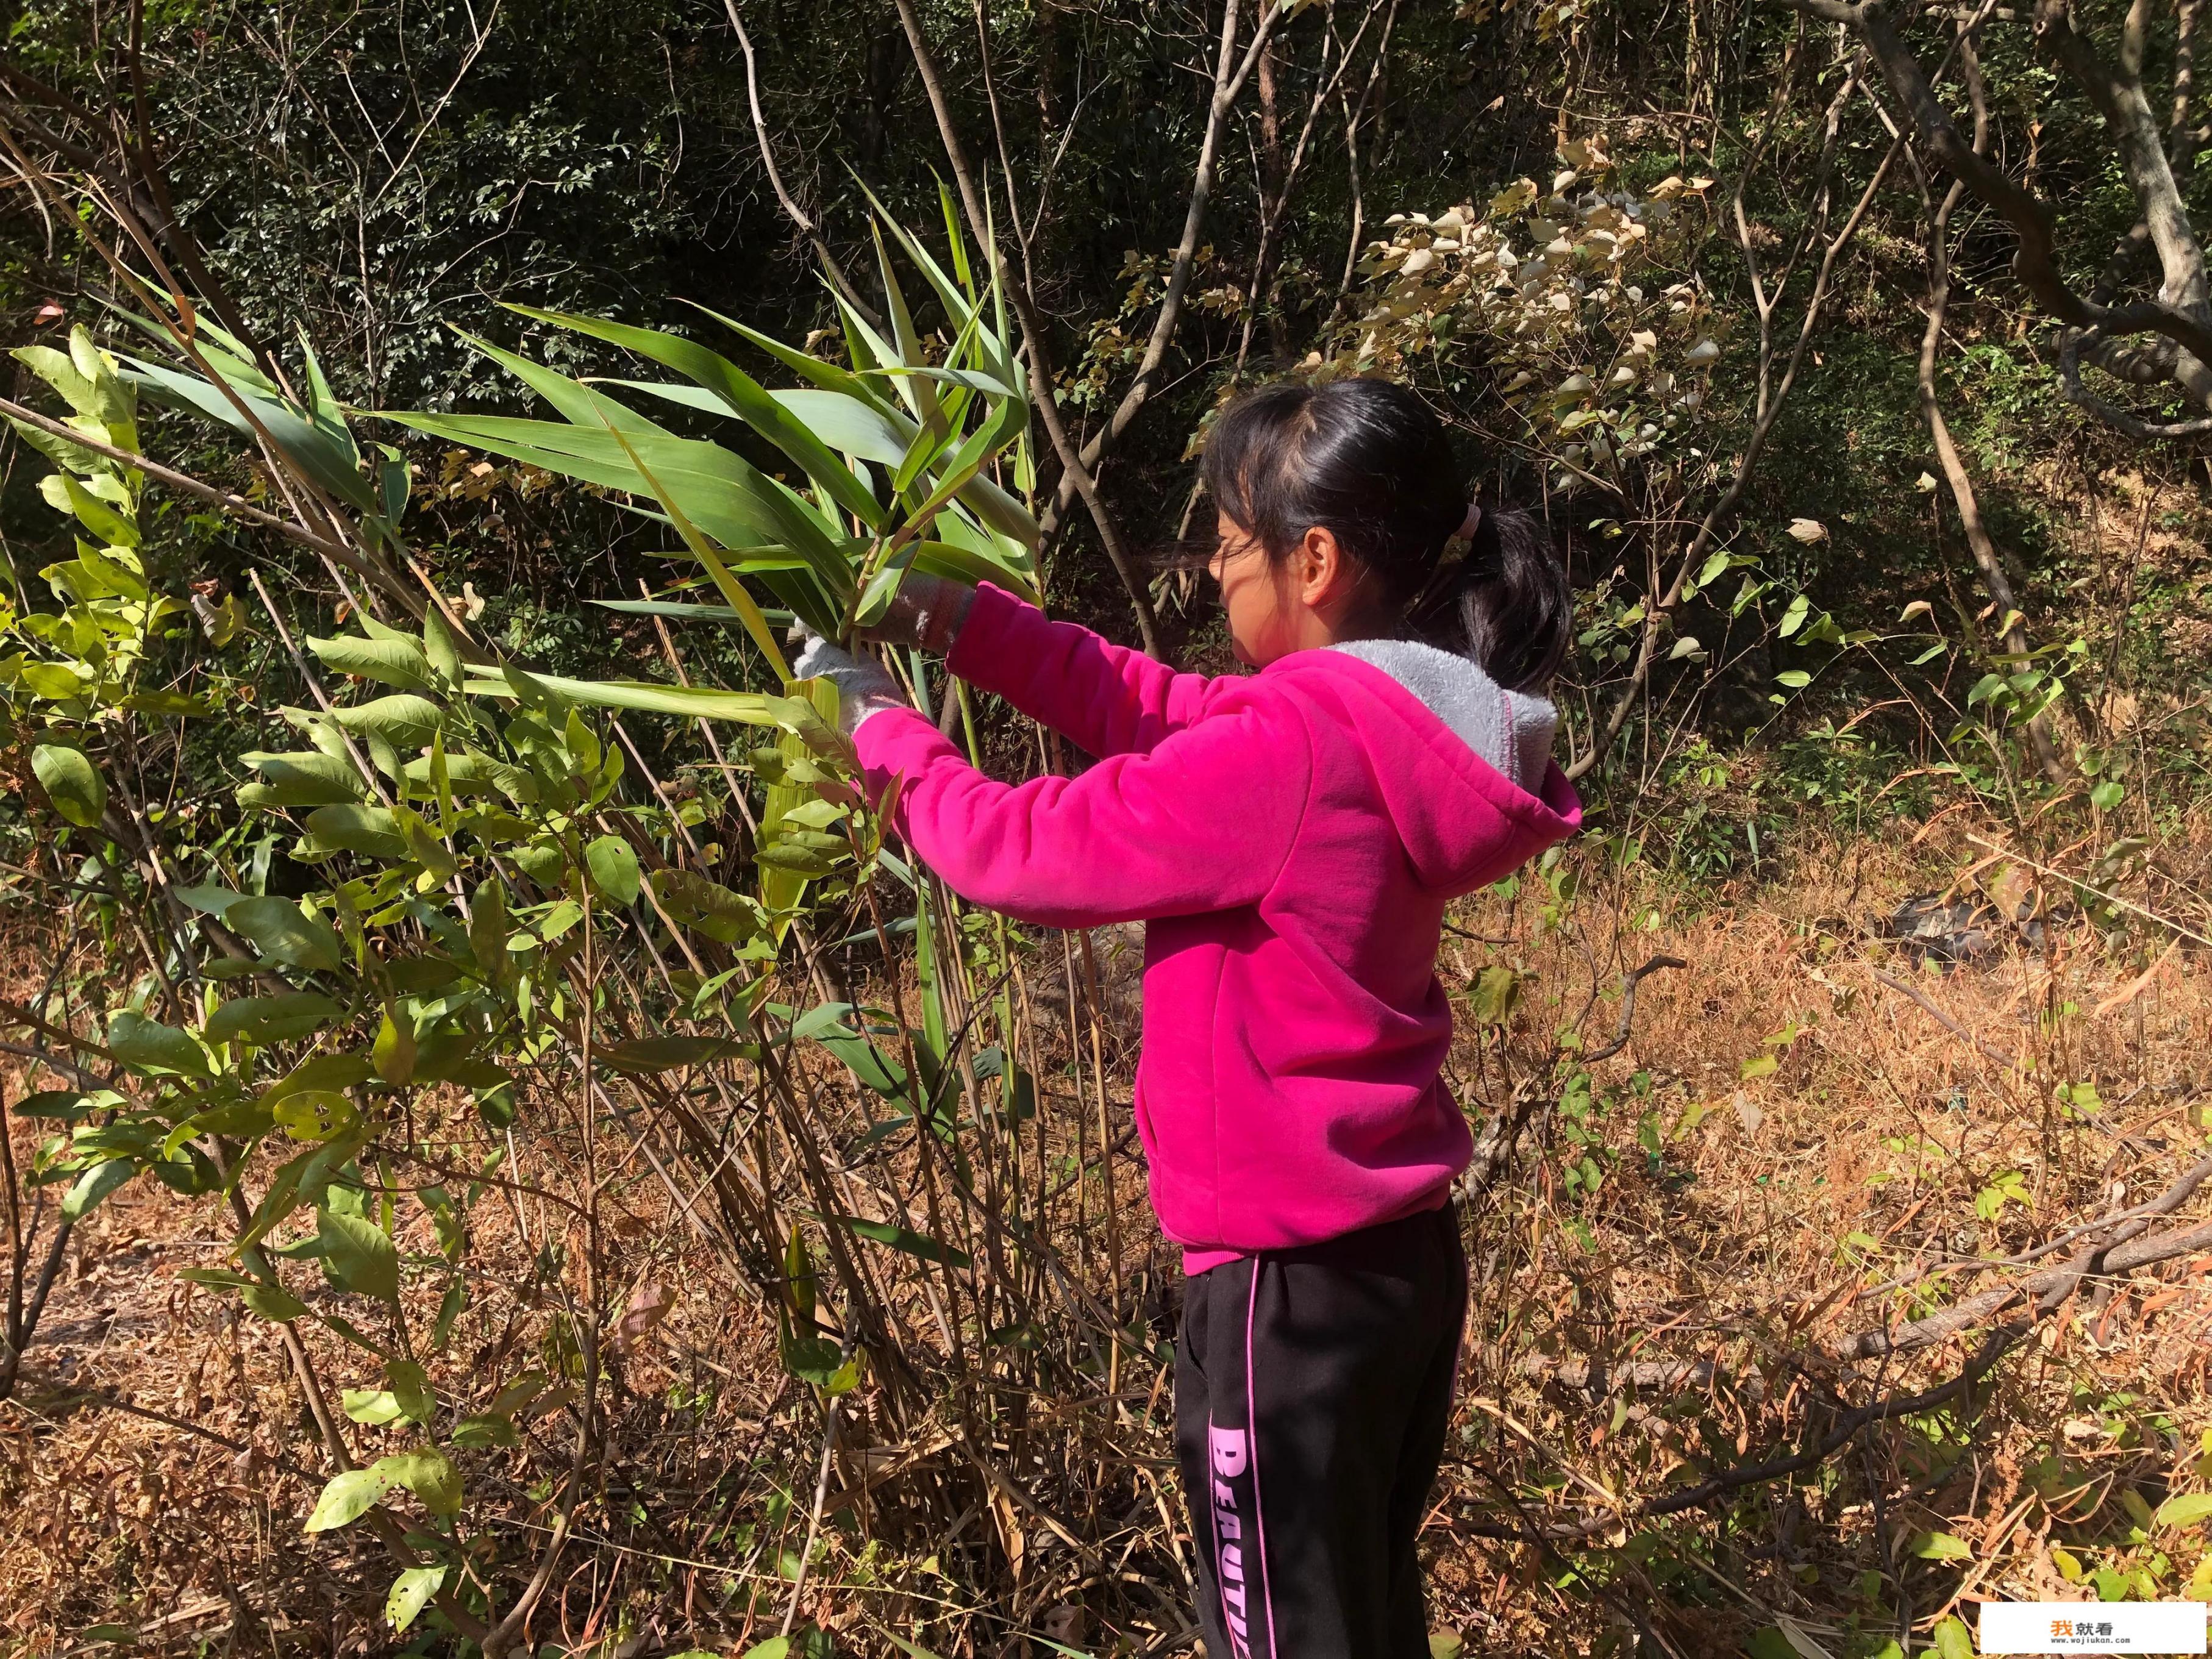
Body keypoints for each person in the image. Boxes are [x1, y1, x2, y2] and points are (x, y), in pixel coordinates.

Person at [794, 377, 1581, 1658]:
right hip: (1391, 1266)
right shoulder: (1380, 724)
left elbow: (1013, 849)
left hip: (1283, 1284)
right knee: (1360, 1618)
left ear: (1312, 559)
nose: (1211, 574)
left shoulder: (1294, 747)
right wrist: (952, 621)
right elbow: (1142, 703)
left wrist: (878, 732)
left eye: (1225, 542)